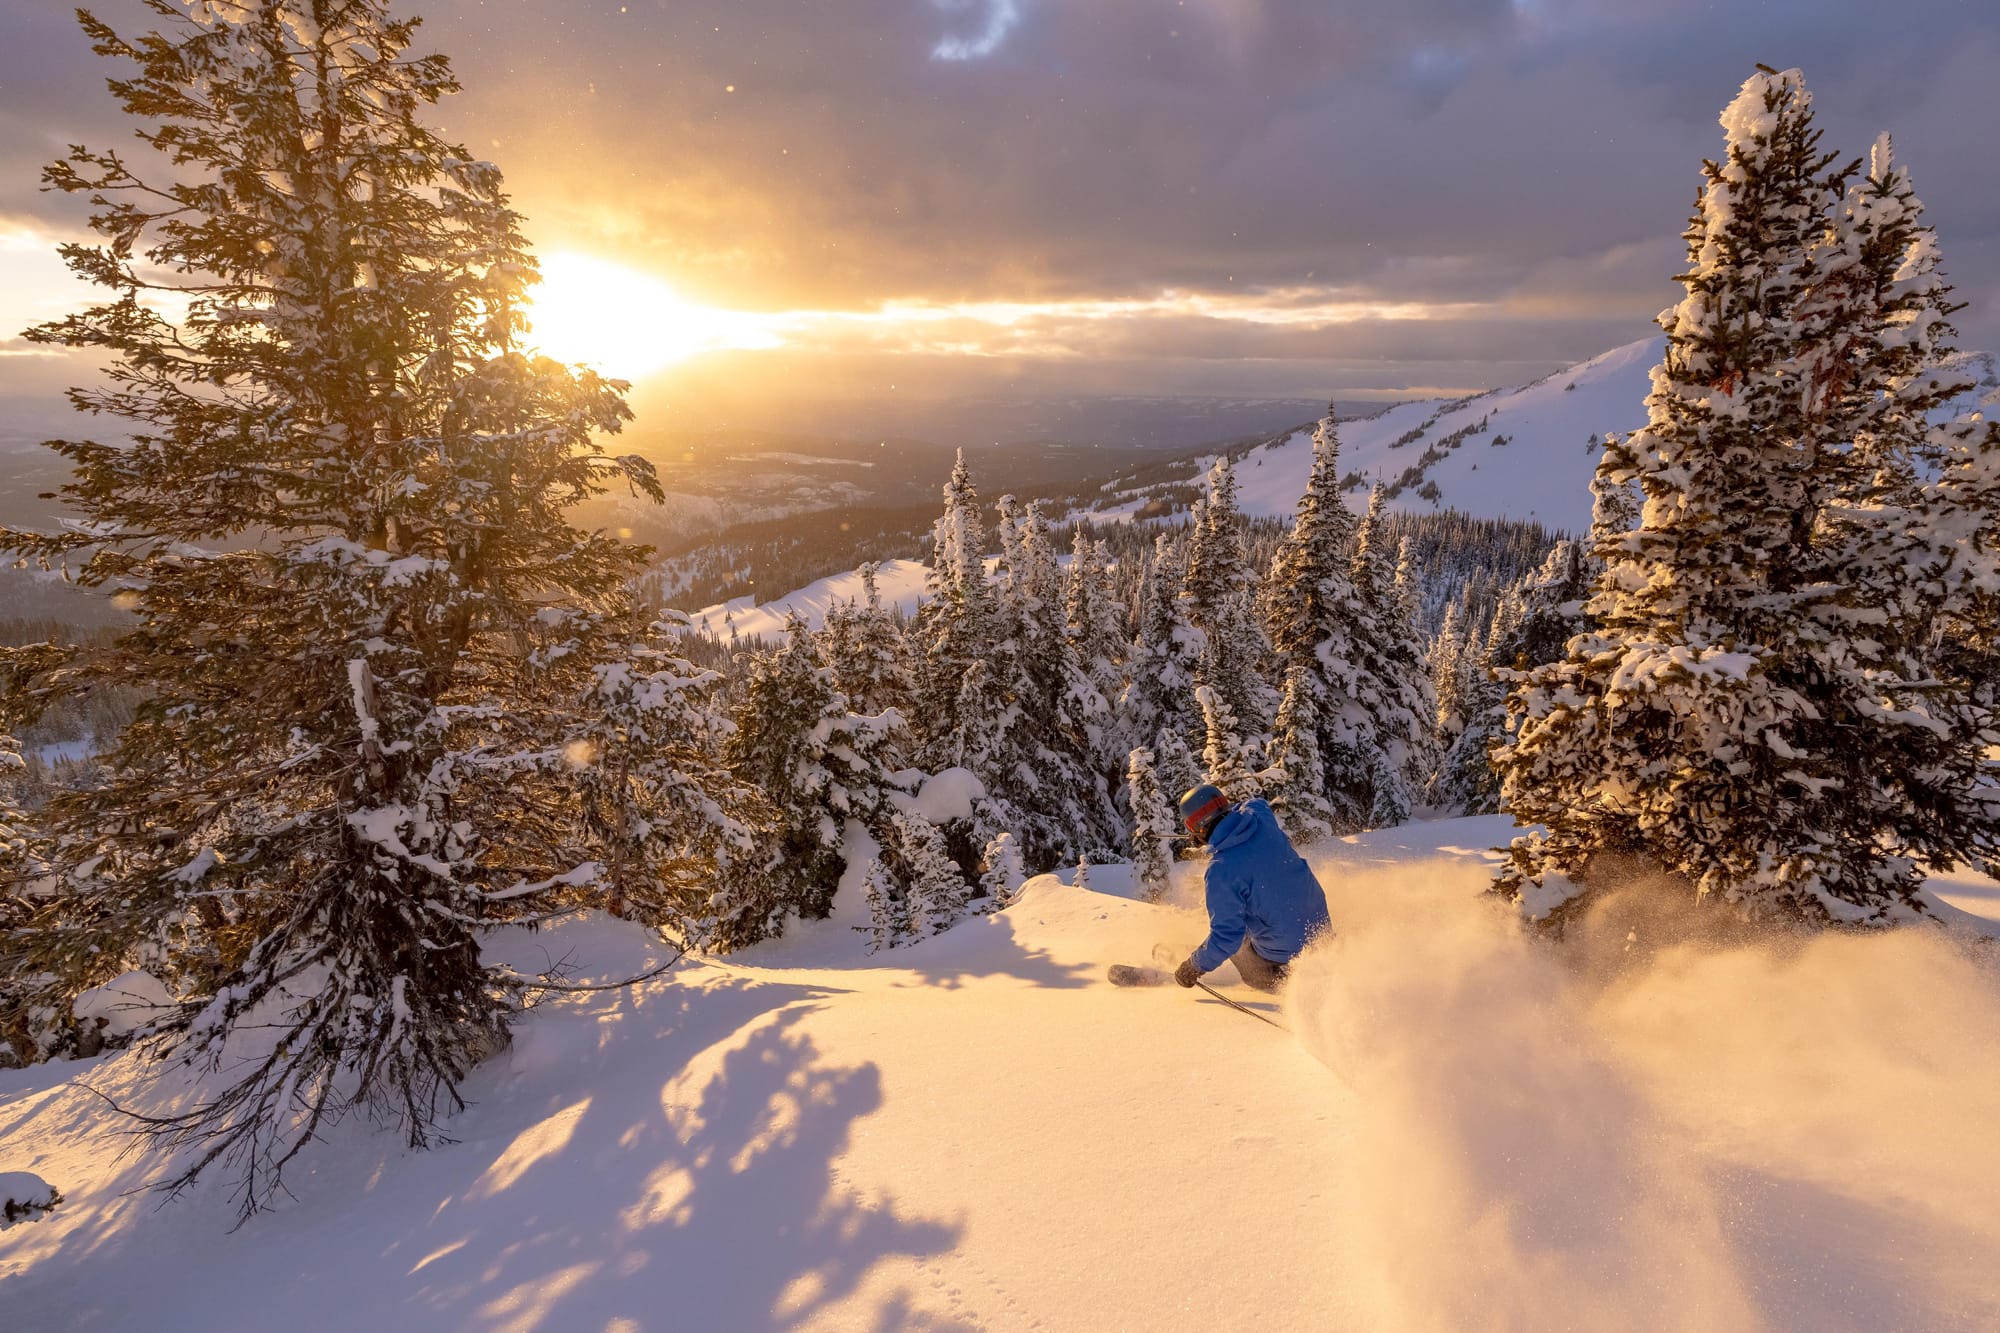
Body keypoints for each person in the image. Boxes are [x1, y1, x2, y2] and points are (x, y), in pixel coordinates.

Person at [1173, 784, 1329, 993]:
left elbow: (1227, 937)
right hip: (1322, 931)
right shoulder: (1261, 817)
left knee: (1233, 939)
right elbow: (1254, 803)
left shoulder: (1221, 869)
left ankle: (1285, 982)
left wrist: (1193, 968)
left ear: (1198, 828)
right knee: (1252, 907)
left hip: (1287, 951)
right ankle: (1209, 953)